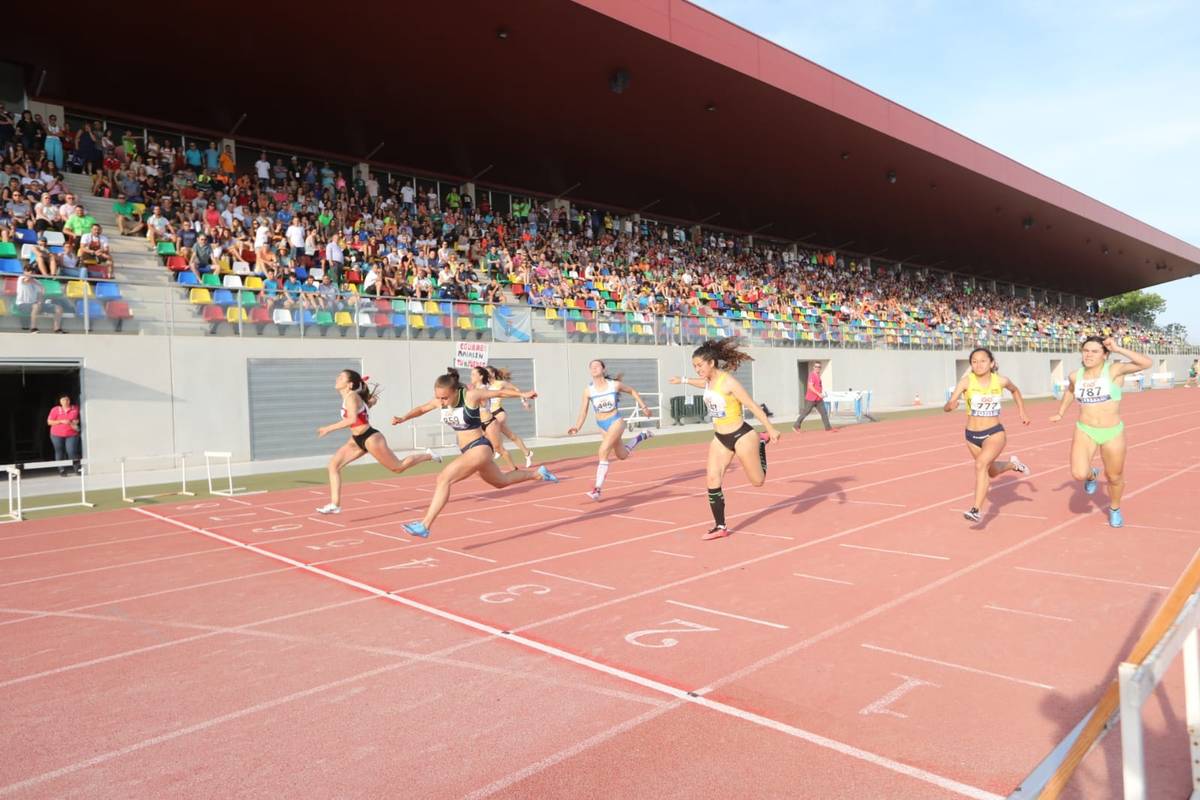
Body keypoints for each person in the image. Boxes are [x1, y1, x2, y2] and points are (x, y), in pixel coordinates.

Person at [391, 367, 558, 538]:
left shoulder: (470, 396)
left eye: (445, 398)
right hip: (467, 451)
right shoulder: (439, 402)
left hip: (479, 447)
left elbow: (498, 393)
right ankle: (539, 474)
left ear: (456, 391)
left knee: (443, 479)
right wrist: (403, 418)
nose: (441, 402)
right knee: (501, 482)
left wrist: (522, 394)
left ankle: (424, 525)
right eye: (438, 397)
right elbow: (421, 409)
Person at [669, 339, 781, 539]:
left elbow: (752, 406)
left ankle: (761, 443)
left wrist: (770, 428)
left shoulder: (729, 382)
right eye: (694, 366)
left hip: (741, 436)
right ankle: (721, 527)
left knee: (758, 482)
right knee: (712, 479)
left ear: (711, 363)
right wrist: (683, 380)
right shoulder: (708, 381)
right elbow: (702, 383)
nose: (697, 369)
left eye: (700, 365)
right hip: (720, 438)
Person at [1049, 336, 1152, 528]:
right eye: (1086, 350)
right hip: (1085, 429)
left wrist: (1118, 348)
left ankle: (1114, 508)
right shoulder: (1075, 375)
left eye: (1094, 351)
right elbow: (1071, 391)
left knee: (1114, 476)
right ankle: (1092, 475)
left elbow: (1146, 363)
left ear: (1105, 355)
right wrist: (1060, 412)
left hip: (1112, 431)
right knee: (1079, 473)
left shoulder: (1113, 370)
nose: (1089, 354)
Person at [315, 370, 438, 515]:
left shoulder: (351, 397)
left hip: (370, 438)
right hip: (356, 440)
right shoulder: (353, 397)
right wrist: (369, 401)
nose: (337, 378)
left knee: (398, 468)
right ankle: (335, 504)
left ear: (349, 384)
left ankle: (428, 455)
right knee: (333, 465)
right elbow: (368, 405)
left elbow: (352, 419)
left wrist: (328, 428)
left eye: (341, 377)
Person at [942, 347, 1031, 523]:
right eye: (974, 361)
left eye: (983, 361)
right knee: (991, 472)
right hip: (972, 435)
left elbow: (1015, 391)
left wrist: (1022, 411)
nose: (978, 364)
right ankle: (1013, 464)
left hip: (994, 433)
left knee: (980, 464)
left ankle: (976, 510)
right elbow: (948, 404)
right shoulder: (966, 382)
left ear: (991, 363)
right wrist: (950, 406)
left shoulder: (1001, 381)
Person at [567, 359, 655, 501]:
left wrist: (644, 407)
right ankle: (640, 437)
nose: (594, 368)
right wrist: (577, 427)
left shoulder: (614, 385)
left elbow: (631, 390)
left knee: (603, 451)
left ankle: (597, 489)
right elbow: (583, 411)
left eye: (597, 366)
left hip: (616, 421)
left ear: (603, 369)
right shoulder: (588, 391)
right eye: (591, 367)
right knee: (622, 455)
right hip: (602, 425)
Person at [472, 365, 535, 470]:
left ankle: (498, 449)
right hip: (489, 414)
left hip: (498, 412)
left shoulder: (500, 383)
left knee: (490, 431)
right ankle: (527, 453)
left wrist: (524, 400)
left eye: (488, 372)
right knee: (511, 436)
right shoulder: (485, 385)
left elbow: (514, 390)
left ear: (492, 373)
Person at [15, 264, 64, 333]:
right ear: (24, 272)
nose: (30, 272)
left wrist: (40, 302)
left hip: (35, 304)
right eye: (28, 271)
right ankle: (33, 328)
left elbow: (40, 295)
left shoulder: (37, 282)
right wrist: (39, 285)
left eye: (31, 271)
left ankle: (57, 329)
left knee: (58, 308)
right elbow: (26, 281)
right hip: (22, 304)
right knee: (36, 306)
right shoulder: (21, 278)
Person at [792, 361, 836, 432]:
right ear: (813, 367)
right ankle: (796, 426)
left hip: (818, 399)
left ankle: (828, 428)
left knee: (824, 413)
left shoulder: (818, 376)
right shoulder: (812, 375)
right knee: (805, 412)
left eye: (819, 367)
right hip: (811, 399)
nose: (817, 368)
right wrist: (819, 394)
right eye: (816, 367)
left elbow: (818, 386)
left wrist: (821, 394)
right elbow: (810, 387)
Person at [47, 394, 81, 475]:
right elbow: (49, 422)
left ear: (70, 400)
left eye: (67, 400)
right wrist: (61, 421)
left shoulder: (75, 408)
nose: (65, 402)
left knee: (72, 451)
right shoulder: (55, 409)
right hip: (56, 434)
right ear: (60, 401)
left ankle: (77, 469)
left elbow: (79, 418)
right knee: (59, 451)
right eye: (63, 400)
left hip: (72, 434)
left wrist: (77, 421)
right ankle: (61, 470)